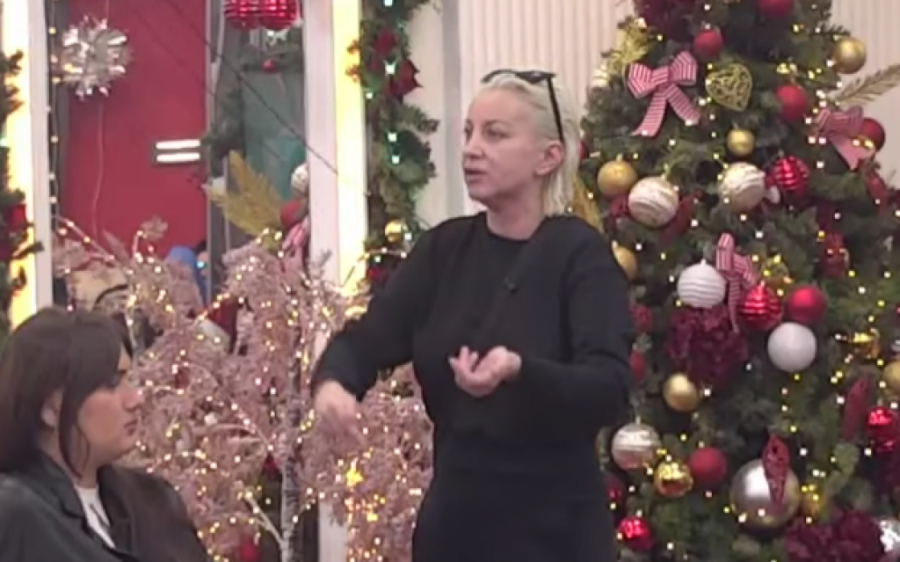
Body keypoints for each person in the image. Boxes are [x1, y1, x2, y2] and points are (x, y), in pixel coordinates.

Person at [312, 69, 634, 562]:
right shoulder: (444, 250)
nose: (471, 150)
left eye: (495, 134)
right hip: (454, 531)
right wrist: (335, 382)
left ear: (548, 157)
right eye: (468, 133)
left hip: (556, 536)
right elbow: (367, 340)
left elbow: (606, 390)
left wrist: (521, 370)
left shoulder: (579, 255)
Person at [0, 307, 210, 562]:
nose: (135, 399)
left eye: (128, 379)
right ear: (51, 408)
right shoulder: (18, 515)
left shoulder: (154, 499)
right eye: (112, 384)